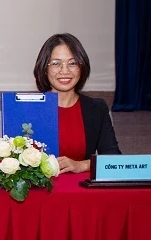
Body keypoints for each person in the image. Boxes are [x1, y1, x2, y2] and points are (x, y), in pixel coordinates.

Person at [33, 33, 120, 173]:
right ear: (44, 68)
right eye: (56, 63)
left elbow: (113, 159)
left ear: (82, 67)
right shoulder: (28, 107)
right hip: (39, 192)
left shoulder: (96, 108)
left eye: (72, 63)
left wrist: (82, 165)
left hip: (80, 189)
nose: (65, 71)